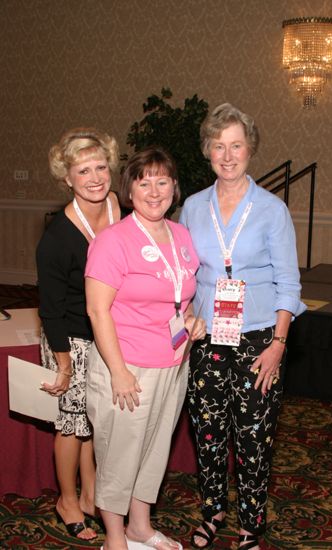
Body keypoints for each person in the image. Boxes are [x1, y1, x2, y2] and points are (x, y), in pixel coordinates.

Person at [179, 103, 306, 550]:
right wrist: (187, 314)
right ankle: (212, 512)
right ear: (207, 151)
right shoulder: (193, 208)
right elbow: (183, 273)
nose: (227, 155)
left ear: (250, 149)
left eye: (236, 145)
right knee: (208, 432)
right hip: (208, 338)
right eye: (218, 146)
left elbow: (289, 282)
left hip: (258, 339)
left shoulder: (272, 210)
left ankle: (252, 524)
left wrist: (278, 344)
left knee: (253, 438)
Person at [84, 147, 206, 550]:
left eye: (162, 181)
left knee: (153, 450)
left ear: (174, 187)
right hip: (128, 367)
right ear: (129, 189)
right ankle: (115, 537)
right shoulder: (112, 241)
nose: (154, 191)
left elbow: (181, 298)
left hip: (173, 363)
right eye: (143, 181)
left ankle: (140, 525)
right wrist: (118, 371)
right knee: (119, 454)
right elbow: (98, 311)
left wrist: (191, 320)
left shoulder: (182, 236)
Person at [36, 127, 121, 541]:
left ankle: (90, 495)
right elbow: (50, 309)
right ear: (67, 178)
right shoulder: (56, 237)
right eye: (82, 170)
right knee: (70, 423)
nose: (94, 177)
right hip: (68, 339)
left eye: (100, 166)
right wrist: (64, 364)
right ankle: (66, 500)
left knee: (94, 419)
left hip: (105, 332)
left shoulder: (117, 206)